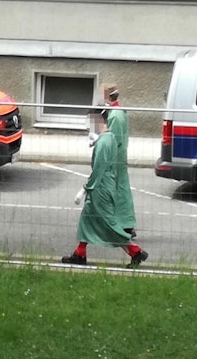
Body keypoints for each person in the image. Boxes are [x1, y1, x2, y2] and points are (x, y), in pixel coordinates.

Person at [62, 108, 147, 268]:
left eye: (90, 123)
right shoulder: (110, 138)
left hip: (100, 189)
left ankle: (135, 252)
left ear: (99, 121)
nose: (88, 128)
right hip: (105, 186)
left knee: (109, 225)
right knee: (87, 220)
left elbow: (98, 169)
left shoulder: (103, 142)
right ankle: (79, 253)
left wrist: (85, 189)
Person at [103, 83, 137, 239]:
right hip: (119, 156)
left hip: (115, 158)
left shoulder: (115, 115)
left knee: (118, 189)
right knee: (120, 188)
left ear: (108, 97)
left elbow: (114, 140)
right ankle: (125, 224)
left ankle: (125, 225)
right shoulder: (117, 111)